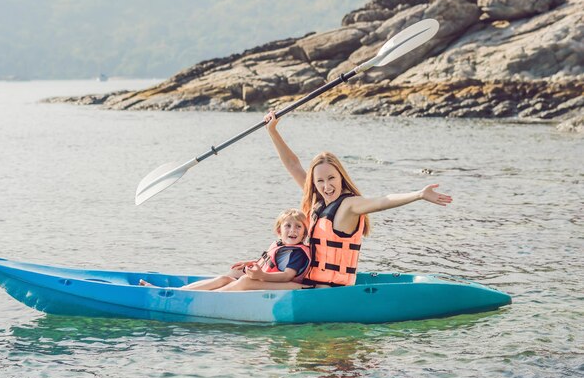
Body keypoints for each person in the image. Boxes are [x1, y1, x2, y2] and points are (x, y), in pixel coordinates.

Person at [255, 111, 453, 288]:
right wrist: (272, 131)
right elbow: (293, 165)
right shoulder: (318, 200)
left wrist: (419, 194)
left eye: (332, 178)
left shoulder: (349, 205)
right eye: (320, 180)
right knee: (244, 276)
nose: (327, 186)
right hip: (309, 281)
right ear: (314, 183)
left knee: (254, 283)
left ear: (341, 176)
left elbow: (383, 201)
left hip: (329, 289)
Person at [140, 209, 312, 291]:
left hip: (287, 286)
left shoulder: (297, 253)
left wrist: (261, 276)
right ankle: (180, 292)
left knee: (244, 281)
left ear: (304, 232)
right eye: (288, 226)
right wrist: (254, 263)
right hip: (270, 279)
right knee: (228, 276)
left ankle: (211, 298)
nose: (293, 231)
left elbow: (287, 275)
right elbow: (274, 263)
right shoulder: (281, 246)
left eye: (298, 227)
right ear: (279, 230)